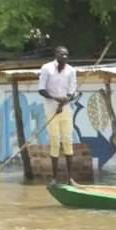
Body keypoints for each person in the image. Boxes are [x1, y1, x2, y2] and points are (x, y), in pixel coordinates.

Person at [38, 46, 77, 185]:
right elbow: (41, 89)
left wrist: (65, 101)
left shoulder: (71, 70)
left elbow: (72, 91)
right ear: (56, 55)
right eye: (62, 54)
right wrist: (56, 99)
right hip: (50, 109)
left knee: (68, 141)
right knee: (54, 141)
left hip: (66, 109)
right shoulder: (47, 68)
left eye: (67, 55)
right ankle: (54, 179)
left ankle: (70, 179)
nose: (65, 57)